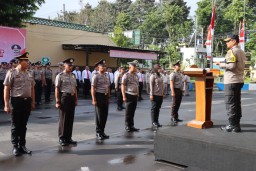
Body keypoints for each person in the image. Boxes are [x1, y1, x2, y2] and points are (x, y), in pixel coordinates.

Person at [3, 51, 35, 156]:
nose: (28, 63)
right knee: (15, 125)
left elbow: (32, 88)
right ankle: (15, 146)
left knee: (23, 125)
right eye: (26, 61)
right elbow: (6, 89)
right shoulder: (12, 72)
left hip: (27, 102)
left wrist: (33, 101)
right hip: (16, 102)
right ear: (20, 62)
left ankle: (22, 145)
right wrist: (6, 104)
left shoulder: (29, 73)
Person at [216, 35, 246, 133]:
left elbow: (231, 66)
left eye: (228, 41)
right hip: (239, 79)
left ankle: (232, 125)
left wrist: (221, 64)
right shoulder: (241, 51)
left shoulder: (232, 51)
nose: (226, 43)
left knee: (230, 103)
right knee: (236, 103)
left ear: (234, 41)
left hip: (231, 80)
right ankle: (236, 125)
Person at [55, 58, 78, 146]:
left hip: (72, 98)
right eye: (69, 65)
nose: (70, 67)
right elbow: (57, 88)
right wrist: (57, 101)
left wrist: (76, 99)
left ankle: (68, 137)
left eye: (71, 65)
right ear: (64, 65)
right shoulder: (60, 75)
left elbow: (75, 88)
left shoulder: (73, 75)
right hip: (64, 97)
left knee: (70, 118)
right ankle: (62, 137)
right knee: (63, 118)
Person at [91, 59, 110, 140]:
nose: (104, 68)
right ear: (98, 67)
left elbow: (108, 87)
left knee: (104, 115)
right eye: (102, 66)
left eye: (105, 66)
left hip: (105, 96)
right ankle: (98, 132)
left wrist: (109, 97)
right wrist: (94, 99)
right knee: (99, 115)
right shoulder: (96, 76)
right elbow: (93, 88)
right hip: (99, 95)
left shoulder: (106, 75)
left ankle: (102, 131)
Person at [121, 60, 140, 132]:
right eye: (134, 66)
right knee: (128, 112)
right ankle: (127, 126)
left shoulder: (136, 75)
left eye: (136, 66)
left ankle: (132, 125)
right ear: (130, 67)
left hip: (135, 95)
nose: (135, 68)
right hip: (129, 94)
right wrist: (124, 96)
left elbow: (137, 85)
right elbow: (123, 85)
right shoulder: (126, 75)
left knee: (132, 111)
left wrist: (137, 93)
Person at [150, 64, 164, 129]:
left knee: (158, 109)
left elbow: (162, 85)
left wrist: (163, 93)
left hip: (160, 95)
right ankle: (153, 122)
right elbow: (151, 86)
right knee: (154, 109)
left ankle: (157, 121)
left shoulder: (161, 76)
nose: (160, 69)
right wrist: (151, 95)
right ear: (155, 69)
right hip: (155, 95)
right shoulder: (153, 76)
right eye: (159, 68)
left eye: (160, 68)